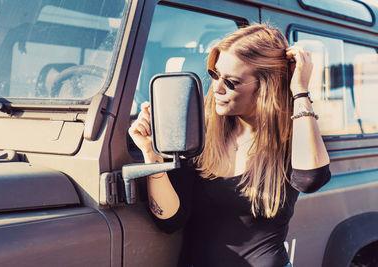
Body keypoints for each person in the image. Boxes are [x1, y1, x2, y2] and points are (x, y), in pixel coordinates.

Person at [129, 23, 331, 267]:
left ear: (265, 87)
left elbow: (311, 179)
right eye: (215, 75)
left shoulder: (290, 140)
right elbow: (170, 220)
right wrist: (152, 155)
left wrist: (299, 91)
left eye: (232, 82)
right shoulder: (200, 134)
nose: (217, 88)